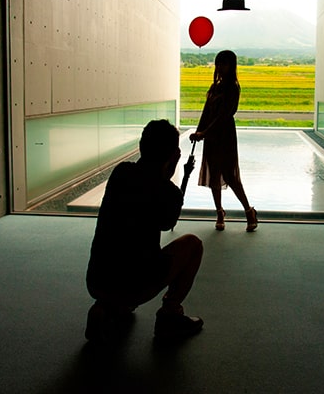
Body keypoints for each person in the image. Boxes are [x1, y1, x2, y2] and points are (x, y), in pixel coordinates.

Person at [85, 119, 204, 343]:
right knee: (193, 245)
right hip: (134, 284)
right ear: (173, 155)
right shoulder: (166, 190)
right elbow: (169, 221)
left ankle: (104, 307)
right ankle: (170, 314)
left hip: (97, 279)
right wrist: (180, 174)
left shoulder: (121, 172)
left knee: (122, 266)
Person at [189, 50, 258, 232]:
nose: (220, 67)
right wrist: (199, 130)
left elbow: (224, 115)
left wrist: (204, 132)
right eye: (218, 63)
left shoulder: (233, 87)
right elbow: (206, 112)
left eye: (224, 64)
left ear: (231, 66)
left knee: (229, 176)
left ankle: (249, 211)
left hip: (224, 135)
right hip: (211, 136)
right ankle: (219, 211)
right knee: (214, 175)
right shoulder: (214, 87)